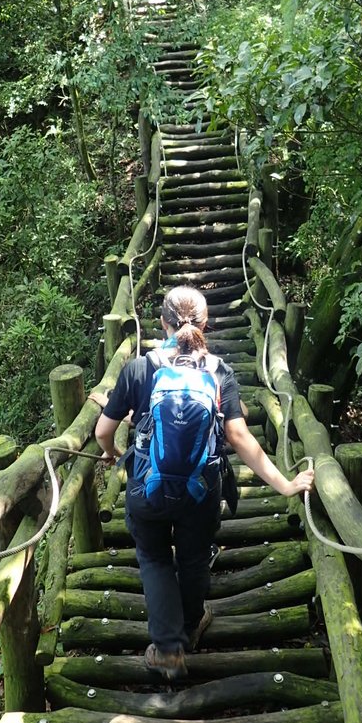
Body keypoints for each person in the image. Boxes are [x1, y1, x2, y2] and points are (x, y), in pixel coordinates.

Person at [95, 285, 315, 680]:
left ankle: (167, 649)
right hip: (200, 490)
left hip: (148, 488)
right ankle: (192, 624)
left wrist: (112, 454)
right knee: (194, 557)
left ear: (161, 323)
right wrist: (284, 484)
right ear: (206, 324)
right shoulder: (219, 372)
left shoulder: (140, 369)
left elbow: (102, 432)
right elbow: (239, 437)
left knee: (156, 558)